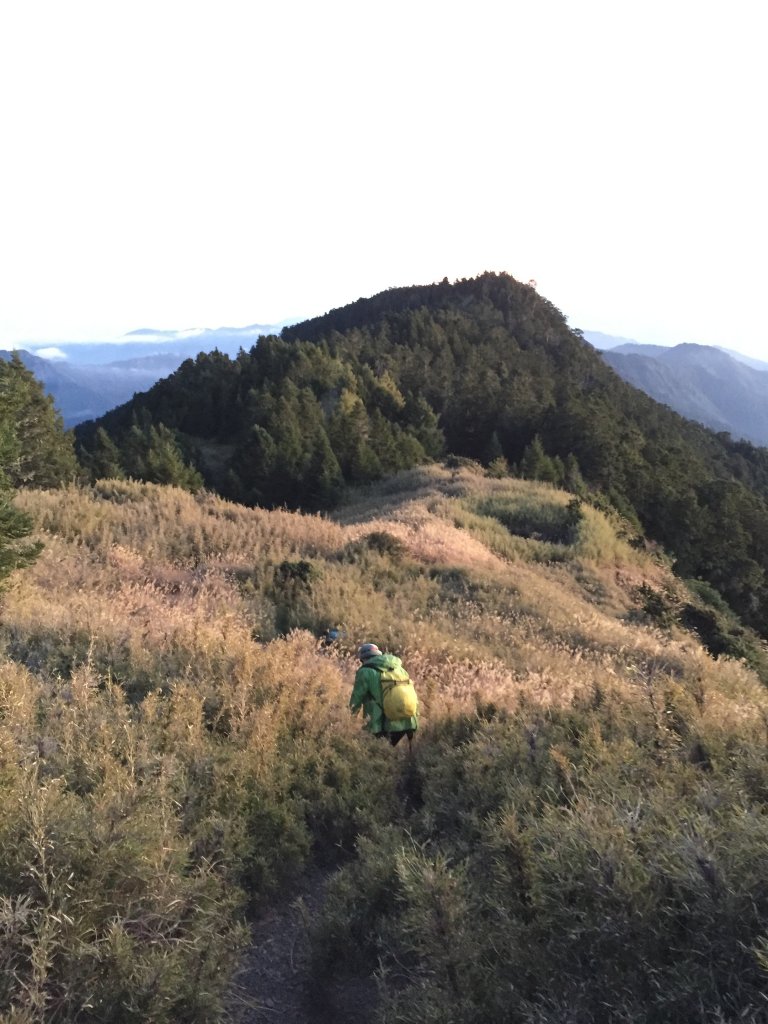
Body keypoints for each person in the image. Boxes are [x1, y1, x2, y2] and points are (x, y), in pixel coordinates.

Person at [350, 642, 418, 747]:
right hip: (408, 721)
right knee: (391, 754)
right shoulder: (399, 669)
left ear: (363, 659)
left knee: (373, 755)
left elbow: (356, 700)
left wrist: (348, 721)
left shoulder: (365, 671)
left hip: (381, 725)